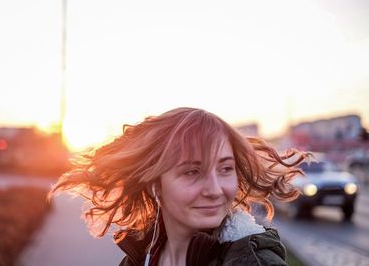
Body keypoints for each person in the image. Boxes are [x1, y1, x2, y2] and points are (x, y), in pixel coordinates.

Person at [49, 107, 309, 266]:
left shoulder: (256, 262)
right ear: (155, 184)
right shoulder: (139, 257)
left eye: (225, 168)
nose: (215, 189)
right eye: (193, 171)